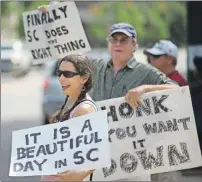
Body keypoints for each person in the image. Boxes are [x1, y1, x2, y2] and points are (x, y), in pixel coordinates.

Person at [38, 3, 179, 181]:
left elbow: (176, 89)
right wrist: (50, 20)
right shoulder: (96, 67)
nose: (118, 44)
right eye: (114, 39)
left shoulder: (146, 72)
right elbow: (68, 53)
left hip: (133, 158)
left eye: (124, 40)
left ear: (134, 45)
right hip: (99, 156)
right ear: (108, 43)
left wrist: (145, 88)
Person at [41, 54, 97, 181]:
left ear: (84, 78)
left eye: (67, 74)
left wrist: (81, 174)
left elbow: (96, 153)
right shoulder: (70, 102)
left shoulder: (84, 110)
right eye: (59, 73)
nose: (61, 78)